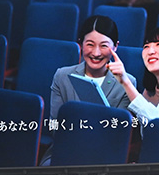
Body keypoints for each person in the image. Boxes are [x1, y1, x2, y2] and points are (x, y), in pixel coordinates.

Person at [41, 15, 137, 165]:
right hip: (66, 149)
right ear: (81, 44)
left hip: (105, 156)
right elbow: (55, 126)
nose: (96, 53)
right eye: (90, 45)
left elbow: (119, 134)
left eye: (104, 46)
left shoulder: (128, 82)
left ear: (115, 47)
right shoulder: (62, 76)